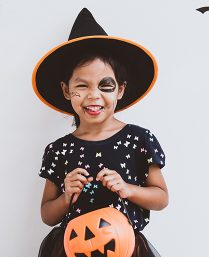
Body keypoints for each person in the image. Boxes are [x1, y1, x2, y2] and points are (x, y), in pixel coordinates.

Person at [33, 8, 168, 235]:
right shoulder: (58, 150)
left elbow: (161, 198)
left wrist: (127, 189)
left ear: (120, 90)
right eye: (82, 86)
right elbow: (47, 215)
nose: (94, 95)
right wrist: (66, 196)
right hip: (74, 246)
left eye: (105, 86)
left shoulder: (139, 139)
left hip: (125, 247)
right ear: (67, 90)